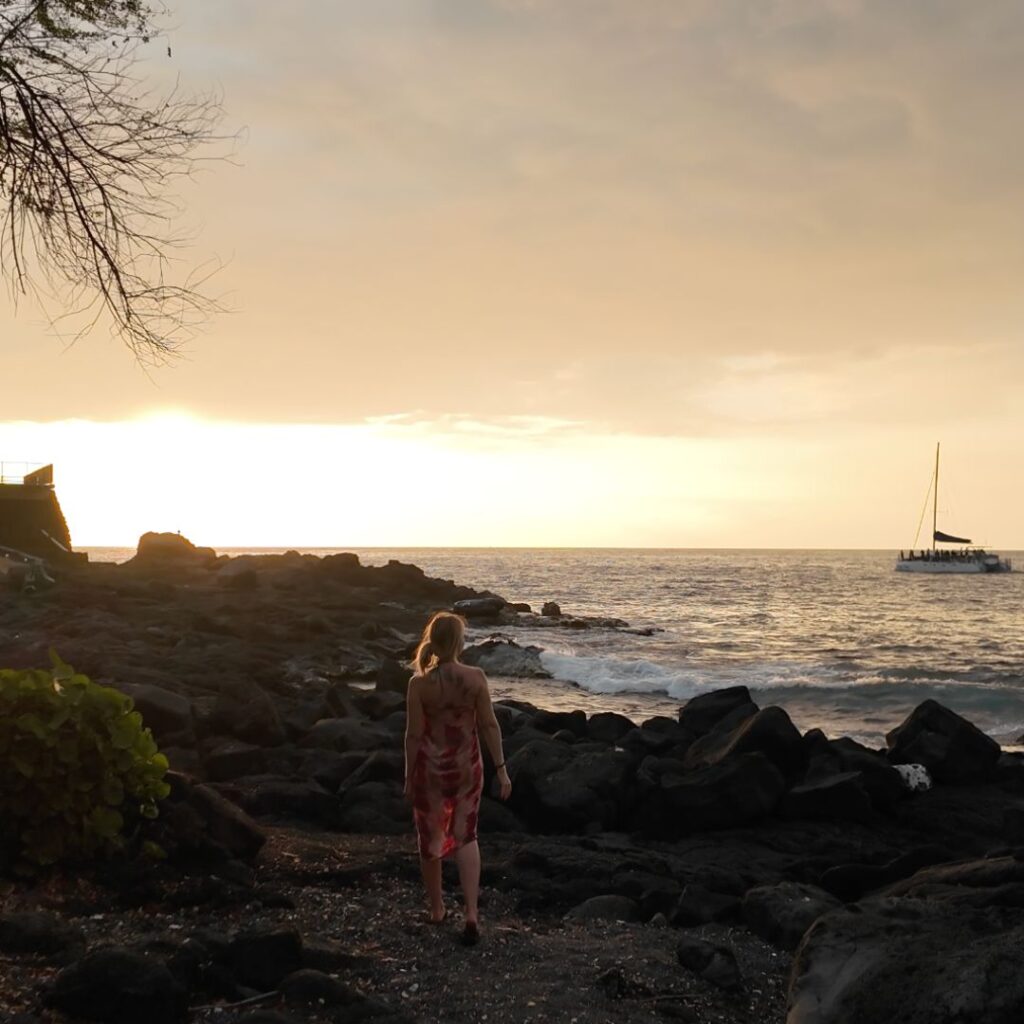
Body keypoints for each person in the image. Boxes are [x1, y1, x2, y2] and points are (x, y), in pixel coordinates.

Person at [404, 611, 512, 945]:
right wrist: (502, 770)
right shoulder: (475, 677)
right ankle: (471, 914)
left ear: (432, 640)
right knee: (467, 835)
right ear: (460, 642)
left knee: (430, 838)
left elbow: (413, 735)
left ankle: (437, 909)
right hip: (468, 766)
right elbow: (489, 725)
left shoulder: (419, 683)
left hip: (431, 769)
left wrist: (408, 776)